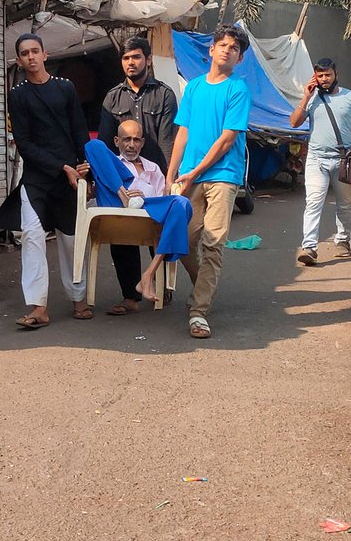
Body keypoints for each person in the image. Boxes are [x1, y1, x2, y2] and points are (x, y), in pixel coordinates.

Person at [0, 33, 92, 329]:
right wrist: (62, 166)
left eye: (35, 51)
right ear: (19, 60)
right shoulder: (19, 94)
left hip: (71, 178)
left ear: (45, 55)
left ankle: (79, 299)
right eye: (24, 53)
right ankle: (39, 308)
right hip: (36, 178)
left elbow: (79, 130)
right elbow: (24, 143)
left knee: (72, 241)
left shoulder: (65, 89)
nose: (31, 57)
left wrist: (85, 168)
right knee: (33, 238)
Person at [165, 24, 251, 339]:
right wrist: (171, 174)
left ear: (239, 58)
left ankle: (198, 311)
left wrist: (194, 171)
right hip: (188, 176)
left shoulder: (238, 90)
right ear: (211, 49)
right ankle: (205, 287)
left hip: (223, 176)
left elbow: (227, 140)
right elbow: (183, 132)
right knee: (183, 242)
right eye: (223, 45)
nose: (227, 51)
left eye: (234, 49)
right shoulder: (195, 88)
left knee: (213, 243)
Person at [98, 36, 179, 315]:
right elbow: (108, 144)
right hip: (124, 178)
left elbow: (168, 139)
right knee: (122, 235)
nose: (131, 63)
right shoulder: (112, 97)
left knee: (156, 230)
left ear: (148, 60)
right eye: (126, 58)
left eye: (135, 57)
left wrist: (170, 180)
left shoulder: (164, 95)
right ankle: (130, 296)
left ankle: (159, 282)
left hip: (153, 176)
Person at [289, 57, 351, 266]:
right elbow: (294, 122)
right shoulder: (311, 98)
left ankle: (343, 241)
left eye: (327, 75)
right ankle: (309, 247)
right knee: (313, 203)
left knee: (345, 205)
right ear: (315, 77)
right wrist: (305, 97)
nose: (324, 79)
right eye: (320, 76)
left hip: (343, 160)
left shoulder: (350, 97)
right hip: (316, 160)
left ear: (336, 74)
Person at [83, 137, 192, 304]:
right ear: (117, 141)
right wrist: (122, 192)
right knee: (94, 144)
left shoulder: (152, 167)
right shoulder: (111, 161)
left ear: (142, 143)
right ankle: (123, 195)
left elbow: (160, 196)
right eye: (126, 139)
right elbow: (92, 150)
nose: (131, 145)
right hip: (115, 203)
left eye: (136, 140)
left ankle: (149, 274)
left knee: (182, 204)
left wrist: (143, 195)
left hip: (146, 207)